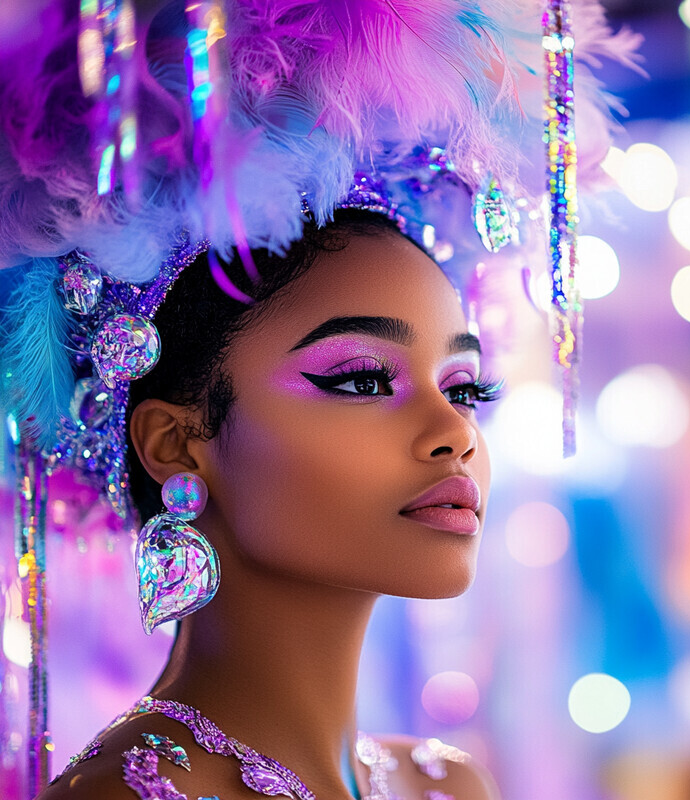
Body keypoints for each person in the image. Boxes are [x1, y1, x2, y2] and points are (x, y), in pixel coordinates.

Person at [0, 0, 636, 797]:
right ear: (175, 442)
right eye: (363, 379)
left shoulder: (447, 784)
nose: (454, 434)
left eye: (465, 388)